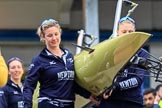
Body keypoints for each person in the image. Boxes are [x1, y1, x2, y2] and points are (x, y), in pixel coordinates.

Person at [23, 18, 91, 108]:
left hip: (69, 104)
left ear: (60, 34)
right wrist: (27, 106)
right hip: (49, 104)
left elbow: (71, 83)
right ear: (43, 37)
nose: (54, 38)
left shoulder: (69, 56)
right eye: (50, 35)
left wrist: (90, 96)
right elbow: (28, 86)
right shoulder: (39, 60)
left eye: (56, 34)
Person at [97, 16, 150, 108]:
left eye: (130, 32)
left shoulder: (142, 53)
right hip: (110, 100)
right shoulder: (108, 51)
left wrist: (115, 86)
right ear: (117, 32)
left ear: (135, 32)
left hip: (132, 102)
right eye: (124, 32)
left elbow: (138, 80)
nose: (127, 34)